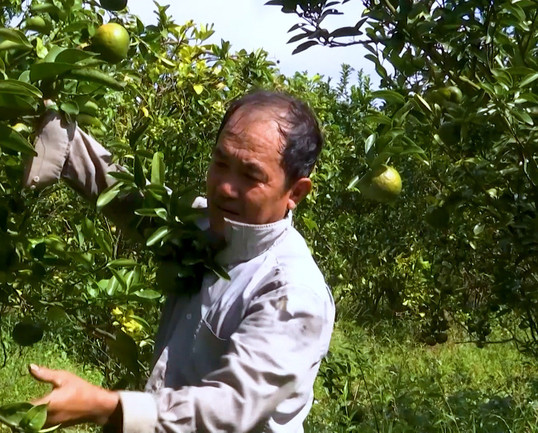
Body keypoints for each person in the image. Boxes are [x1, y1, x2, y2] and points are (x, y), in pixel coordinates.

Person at [23, 90, 335, 433]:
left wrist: (106, 406)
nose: (225, 188)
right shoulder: (203, 228)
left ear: (296, 193)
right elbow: (135, 202)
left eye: (251, 176)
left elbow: (232, 407)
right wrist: (63, 135)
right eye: (220, 164)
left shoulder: (291, 292)